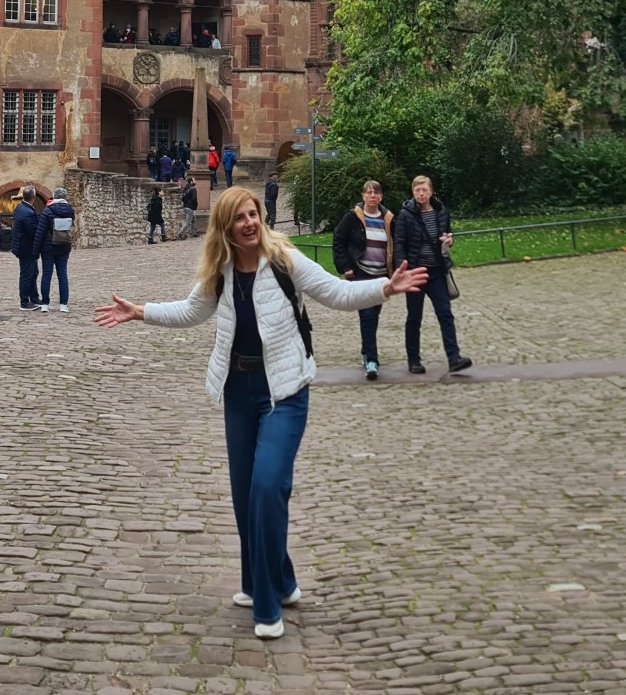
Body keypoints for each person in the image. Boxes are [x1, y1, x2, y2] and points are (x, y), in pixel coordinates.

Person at [95, 185, 428, 638]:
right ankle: (276, 580)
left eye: (254, 215)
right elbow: (192, 311)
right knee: (244, 497)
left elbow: (335, 292)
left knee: (268, 487)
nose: (249, 224)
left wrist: (385, 288)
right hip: (238, 391)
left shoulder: (285, 260)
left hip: (285, 391)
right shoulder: (221, 271)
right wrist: (141, 312)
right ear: (226, 227)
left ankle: (267, 605)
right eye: (240, 218)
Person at [396, 175, 472, 374]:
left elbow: (447, 234)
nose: (421, 194)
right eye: (417, 191)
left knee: (445, 314)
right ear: (412, 192)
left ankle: (454, 357)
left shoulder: (441, 211)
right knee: (414, 317)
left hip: (437, 271)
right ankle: (413, 359)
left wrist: (449, 241)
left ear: (431, 192)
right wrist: (402, 269)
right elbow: (399, 243)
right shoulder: (405, 214)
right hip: (415, 271)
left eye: (425, 190)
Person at [332, 181, 395, 380]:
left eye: (376, 193)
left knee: (373, 315)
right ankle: (372, 361)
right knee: (367, 315)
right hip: (362, 273)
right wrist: (345, 266)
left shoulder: (389, 218)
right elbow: (338, 239)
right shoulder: (353, 217)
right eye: (369, 193)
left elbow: (397, 242)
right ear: (363, 196)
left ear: (381, 197)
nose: (372, 196)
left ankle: (365, 351)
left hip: (381, 274)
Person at [38, 186, 77, 312]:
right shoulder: (70, 210)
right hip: (64, 245)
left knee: (47, 275)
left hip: (48, 247)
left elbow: (41, 231)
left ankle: (45, 304)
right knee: (62, 274)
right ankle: (63, 305)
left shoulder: (47, 211)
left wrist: (36, 249)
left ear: (54, 197)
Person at [11, 186, 43, 310]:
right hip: (26, 248)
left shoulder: (21, 207)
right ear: (33, 198)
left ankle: (34, 297)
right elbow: (33, 231)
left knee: (33, 272)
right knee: (27, 274)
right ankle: (24, 301)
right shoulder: (27, 212)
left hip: (23, 246)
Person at [179, 170, 200, 240]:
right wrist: (195, 205)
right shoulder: (193, 189)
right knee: (188, 222)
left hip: (186, 206)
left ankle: (194, 232)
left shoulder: (186, 188)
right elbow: (194, 199)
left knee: (193, 219)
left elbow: (183, 198)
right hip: (190, 207)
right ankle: (180, 233)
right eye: (194, 180)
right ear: (191, 182)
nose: (195, 181)